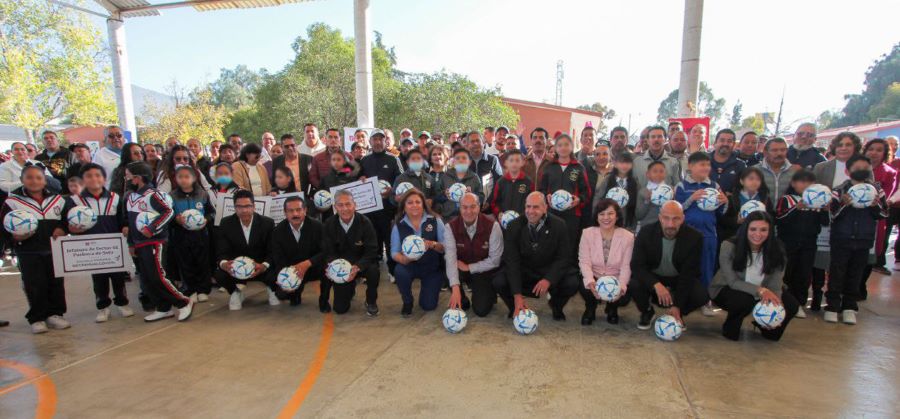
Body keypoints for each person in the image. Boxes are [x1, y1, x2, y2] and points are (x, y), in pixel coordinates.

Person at [62, 163, 133, 323]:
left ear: (104, 178)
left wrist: (125, 227)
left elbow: (123, 219)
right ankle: (103, 306)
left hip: (114, 246)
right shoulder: (75, 201)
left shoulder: (115, 198)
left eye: (97, 175)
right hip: (92, 249)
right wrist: (73, 230)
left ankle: (122, 303)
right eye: (89, 176)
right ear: (83, 180)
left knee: (118, 277)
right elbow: (67, 224)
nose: (94, 179)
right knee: (99, 279)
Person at [710, 211, 798, 341]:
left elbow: (775, 284)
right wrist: (761, 291)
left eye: (763, 230)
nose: (758, 234)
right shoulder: (728, 246)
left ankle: (763, 325)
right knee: (744, 300)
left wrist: (777, 309)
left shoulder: (778, 250)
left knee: (791, 305)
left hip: (764, 289)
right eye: (753, 229)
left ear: (770, 231)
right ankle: (730, 327)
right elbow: (733, 281)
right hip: (728, 289)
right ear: (746, 229)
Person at [124, 161, 193, 322]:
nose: (126, 179)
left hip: (155, 242)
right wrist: (131, 243)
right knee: (147, 279)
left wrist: (152, 228)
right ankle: (163, 307)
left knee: (158, 276)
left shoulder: (154, 195)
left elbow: (168, 212)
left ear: (138, 178)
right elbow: (130, 222)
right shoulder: (130, 197)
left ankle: (183, 302)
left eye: (128, 176)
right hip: (139, 243)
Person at [1, 163, 68, 333]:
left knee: (56, 282)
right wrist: (13, 238)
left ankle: (55, 314)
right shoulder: (13, 202)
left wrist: (63, 228)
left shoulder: (57, 199)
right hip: (28, 251)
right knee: (34, 284)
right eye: (29, 177)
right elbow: (4, 227)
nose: (34, 181)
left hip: (53, 249)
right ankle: (37, 317)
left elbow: (66, 221)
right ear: (22, 180)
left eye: (38, 177)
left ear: (45, 180)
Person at [495, 192, 580, 320]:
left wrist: (548, 279)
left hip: (548, 271)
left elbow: (564, 257)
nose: (531, 211)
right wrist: (517, 296)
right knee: (499, 281)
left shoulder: (559, 225)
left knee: (572, 282)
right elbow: (512, 261)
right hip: (525, 272)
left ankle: (556, 306)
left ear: (545, 208)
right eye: (528, 207)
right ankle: (515, 306)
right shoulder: (514, 226)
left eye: (536, 207)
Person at [827, 154, 887, 324]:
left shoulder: (876, 190)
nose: (861, 171)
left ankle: (849, 306)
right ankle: (832, 305)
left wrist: (876, 206)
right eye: (857, 168)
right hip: (841, 238)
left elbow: (884, 214)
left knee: (856, 274)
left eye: (864, 168)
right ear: (848, 170)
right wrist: (844, 204)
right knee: (837, 272)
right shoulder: (839, 190)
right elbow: (832, 215)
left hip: (863, 239)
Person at [630, 201, 709, 329]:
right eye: (666, 218)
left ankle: (677, 313)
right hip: (654, 277)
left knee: (701, 295)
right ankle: (647, 311)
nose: (670, 224)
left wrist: (677, 305)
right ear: (660, 217)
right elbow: (637, 266)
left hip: (678, 279)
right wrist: (655, 284)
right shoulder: (646, 233)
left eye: (676, 219)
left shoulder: (695, 237)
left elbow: (688, 273)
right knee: (634, 284)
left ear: (683, 218)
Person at [675, 152, 727, 316]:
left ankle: (706, 301)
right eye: (701, 164)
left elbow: (722, 212)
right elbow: (677, 209)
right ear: (690, 166)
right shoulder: (682, 186)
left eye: (707, 165)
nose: (705, 168)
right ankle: (681, 298)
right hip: (687, 234)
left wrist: (725, 202)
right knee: (685, 267)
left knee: (707, 266)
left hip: (709, 234)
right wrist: (692, 198)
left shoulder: (714, 186)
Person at [776, 170, 829, 319]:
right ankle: (783, 301)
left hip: (809, 244)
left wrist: (825, 210)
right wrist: (796, 208)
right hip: (787, 243)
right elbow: (780, 218)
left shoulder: (818, 201)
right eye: (802, 181)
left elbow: (825, 223)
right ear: (793, 183)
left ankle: (798, 303)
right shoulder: (787, 199)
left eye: (809, 182)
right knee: (786, 274)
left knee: (804, 274)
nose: (805, 185)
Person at [215, 189, 278, 310]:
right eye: (239, 207)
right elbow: (221, 251)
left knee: (277, 267)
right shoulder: (226, 223)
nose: (244, 210)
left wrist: (264, 265)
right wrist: (224, 265)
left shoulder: (267, 223)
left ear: (254, 206)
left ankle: (272, 288)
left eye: (248, 206)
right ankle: (236, 292)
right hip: (236, 270)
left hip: (260, 267)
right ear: (234, 207)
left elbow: (272, 251)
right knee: (219, 274)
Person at [443, 192, 503, 317]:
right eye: (464, 207)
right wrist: (455, 287)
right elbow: (450, 259)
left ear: (479, 206)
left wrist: (470, 267)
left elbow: (495, 260)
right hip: (461, 268)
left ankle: (489, 294)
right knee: (446, 267)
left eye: (473, 207)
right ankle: (462, 299)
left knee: (481, 311)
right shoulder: (450, 227)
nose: (468, 211)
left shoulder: (493, 226)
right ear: (459, 208)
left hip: (483, 271)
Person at [321, 190, 380, 315]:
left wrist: (358, 267)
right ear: (335, 207)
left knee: (374, 270)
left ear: (355, 205)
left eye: (348, 204)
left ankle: (371, 301)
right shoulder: (329, 224)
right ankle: (350, 287)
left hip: (361, 263)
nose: (345, 208)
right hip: (341, 267)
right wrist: (333, 266)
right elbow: (328, 251)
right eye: (340, 205)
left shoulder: (365, 223)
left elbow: (372, 250)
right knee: (340, 309)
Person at [578, 199, 635, 325]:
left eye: (610, 213)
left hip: (616, 278)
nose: (606, 218)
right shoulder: (587, 233)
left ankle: (612, 308)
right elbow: (584, 261)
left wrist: (621, 286)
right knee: (583, 284)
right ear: (597, 217)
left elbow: (626, 266)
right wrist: (590, 281)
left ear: (617, 215)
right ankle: (590, 308)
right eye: (602, 214)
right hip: (595, 276)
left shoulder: (628, 237)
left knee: (626, 295)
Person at [391, 189, 446, 316]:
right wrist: (404, 259)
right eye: (410, 203)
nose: (414, 205)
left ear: (423, 205)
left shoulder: (436, 220)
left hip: (431, 267)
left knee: (428, 306)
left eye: (418, 202)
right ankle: (407, 301)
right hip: (409, 265)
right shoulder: (398, 225)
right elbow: (394, 252)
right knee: (399, 271)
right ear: (404, 207)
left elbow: (445, 247)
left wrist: (433, 244)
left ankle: (428, 290)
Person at [358, 129, 404, 279]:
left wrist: (392, 190)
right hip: (370, 210)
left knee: (390, 240)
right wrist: (361, 179)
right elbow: (358, 179)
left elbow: (401, 181)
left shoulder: (393, 159)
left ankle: (393, 271)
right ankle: (370, 272)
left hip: (388, 209)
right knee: (371, 241)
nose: (378, 142)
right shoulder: (364, 160)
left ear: (386, 142)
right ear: (370, 142)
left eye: (381, 139)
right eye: (375, 139)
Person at [539, 134, 591, 257]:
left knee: (569, 246)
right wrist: (546, 196)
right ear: (556, 148)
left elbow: (587, 192)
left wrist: (579, 200)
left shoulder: (579, 168)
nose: (563, 148)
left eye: (566, 144)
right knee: (551, 244)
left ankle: (568, 272)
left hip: (572, 215)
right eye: (560, 145)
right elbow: (541, 189)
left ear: (572, 147)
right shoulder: (549, 167)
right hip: (551, 214)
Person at [169, 166, 215, 303]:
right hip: (181, 235)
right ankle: (191, 289)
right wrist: (175, 219)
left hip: (200, 235)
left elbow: (211, 212)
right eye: (180, 177)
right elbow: (167, 216)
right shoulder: (172, 196)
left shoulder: (202, 194)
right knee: (185, 262)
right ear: (176, 179)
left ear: (194, 178)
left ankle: (203, 289)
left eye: (186, 176)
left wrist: (206, 219)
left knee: (202, 261)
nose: (183, 180)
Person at [269, 196, 326, 307]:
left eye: (298, 210)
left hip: (313, 266)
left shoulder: (318, 227)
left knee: (328, 269)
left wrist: (308, 263)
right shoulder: (278, 231)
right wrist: (283, 278)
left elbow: (326, 251)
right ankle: (295, 294)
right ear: (285, 213)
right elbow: (278, 258)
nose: (295, 214)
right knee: (281, 294)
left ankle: (324, 298)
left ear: (305, 210)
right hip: (293, 270)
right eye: (290, 211)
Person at [863, 138, 896, 276]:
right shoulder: (855, 167)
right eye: (871, 149)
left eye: (878, 150)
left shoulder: (889, 172)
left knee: (869, 254)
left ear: (885, 153)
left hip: (874, 218)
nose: (874, 153)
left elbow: (885, 198)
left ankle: (860, 287)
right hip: (851, 216)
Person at [718, 167, 772, 244]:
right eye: (751, 179)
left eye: (758, 179)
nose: (754, 182)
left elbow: (771, 217)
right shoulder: (731, 198)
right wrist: (736, 221)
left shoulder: (765, 198)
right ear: (742, 181)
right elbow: (722, 220)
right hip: (736, 237)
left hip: (759, 238)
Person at [593, 152, 638, 230]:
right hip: (607, 220)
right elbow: (598, 197)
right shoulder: (608, 179)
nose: (624, 165)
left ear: (632, 165)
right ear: (615, 164)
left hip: (626, 222)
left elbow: (636, 205)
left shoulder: (634, 182)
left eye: (627, 162)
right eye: (621, 162)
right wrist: (596, 215)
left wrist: (632, 225)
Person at [437, 149, 484, 219]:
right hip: (448, 217)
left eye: (464, 158)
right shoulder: (445, 176)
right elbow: (437, 197)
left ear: (470, 162)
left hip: (469, 217)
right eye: (457, 158)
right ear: (453, 161)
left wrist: (472, 195)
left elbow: (481, 197)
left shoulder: (474, 177)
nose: (461, 160)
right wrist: (444, 194)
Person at [490, 149, 533, 217]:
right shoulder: (500, 182)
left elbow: (532, 203)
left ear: (522, 162)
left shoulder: (528, 182)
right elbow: (494, 203)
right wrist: (498, 213)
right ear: (506, 163)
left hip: (522, 221)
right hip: (504, 222)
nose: (514, 163)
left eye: (517, 160)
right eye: (511, 160)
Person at [466, 132, 503, 210]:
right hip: (468, 207)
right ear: (467, 145)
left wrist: (489, 202)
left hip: (488, 207)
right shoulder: (463, 162)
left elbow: (499, 183)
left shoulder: (493, 160)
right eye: (472, 142)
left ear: (483, 143)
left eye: (478, 140)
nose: (475, 143)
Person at [754, 137, 796, 203]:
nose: (779, 153)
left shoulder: (794, 171)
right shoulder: (754, 171)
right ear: (765, 152)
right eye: (774, 150)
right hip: (761, 212)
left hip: (787, 212)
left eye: (783, 150)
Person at [635, 161, 669, 231]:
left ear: (665, 174)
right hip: (647, 228)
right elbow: (639, 215)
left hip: (666, 228)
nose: (658, 174)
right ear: (648, 174)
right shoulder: (643, 192)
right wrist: (647, 201)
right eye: (655, 171)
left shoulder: (670, 191)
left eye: (661, 171)